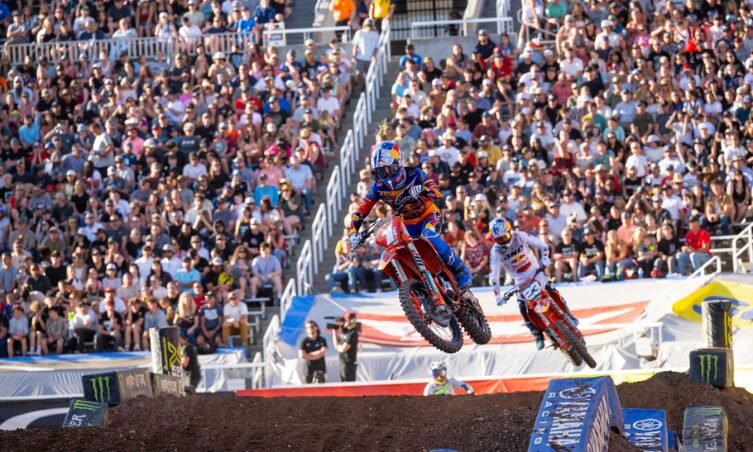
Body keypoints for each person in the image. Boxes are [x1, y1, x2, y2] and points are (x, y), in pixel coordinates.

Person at [349, 141, 472, 308]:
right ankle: (416, 293)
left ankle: (460, 270)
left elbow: (437, 193)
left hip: (428, 215)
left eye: (389, 168)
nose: (386, 174)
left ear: (398, 163)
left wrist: (423, 189)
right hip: (405, 223)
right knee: (397, 248)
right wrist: (353, 233)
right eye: (381, 170)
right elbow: (360, 211)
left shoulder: (415, 173)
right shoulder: (377, 187)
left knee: (428, 235)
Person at [488, 217, 578, 351]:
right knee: (523, 310)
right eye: (499, 239)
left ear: (509, 230)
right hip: (520, 282)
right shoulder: (495, 252)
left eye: (505, 236)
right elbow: (494, 276)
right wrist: (497, 297)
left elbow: (542, 245)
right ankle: (537, 335)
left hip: (536, 272)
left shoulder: (520, 236)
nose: (504, 241)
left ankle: (568, 314)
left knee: (552, 290)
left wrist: (545, 258)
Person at [332, 311, 359, 382]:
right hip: (343, 363)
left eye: (345, 320)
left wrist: (338, 347)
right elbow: (337, 345)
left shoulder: (352, 333)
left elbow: (343, 349)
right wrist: (334, 332)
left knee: (348, 383)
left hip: (349, 364)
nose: (343, 322)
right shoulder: (346, 332)